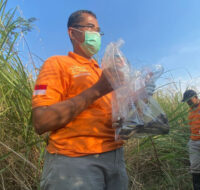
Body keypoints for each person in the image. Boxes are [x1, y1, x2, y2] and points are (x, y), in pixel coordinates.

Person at [32, 10, 129, 190]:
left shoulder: (102, 73)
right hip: (74, 162)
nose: (96, 35)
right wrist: (98, 89)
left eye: (99, 31)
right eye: (91, 28)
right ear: (72, 32)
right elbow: (41, 121)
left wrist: (138, 95)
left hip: (116, 159)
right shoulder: (57, 63)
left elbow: (117, 118)